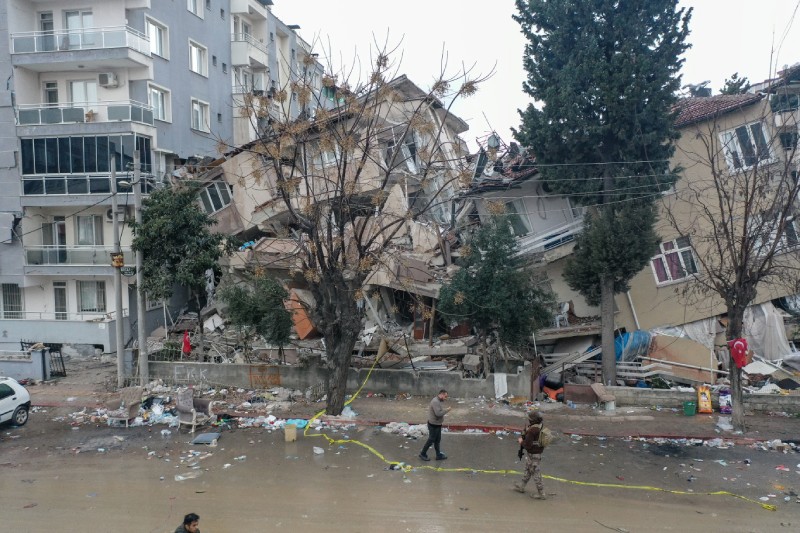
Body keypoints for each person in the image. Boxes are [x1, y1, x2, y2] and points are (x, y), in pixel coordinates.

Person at [514, 411, 546, 500]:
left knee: (536, 473)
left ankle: (541, 493)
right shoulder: (540, 426)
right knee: (528, 470)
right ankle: (522, 486)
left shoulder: (532, 430)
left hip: (533, 454)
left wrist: (521, 441)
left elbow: (527, 445)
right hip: (537, 452)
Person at [419, 389, 451, 461]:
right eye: (445, 396)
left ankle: (438, 455)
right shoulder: (435, 401)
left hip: (437, 424)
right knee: (431, 440)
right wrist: (447, 410)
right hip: (433, 425)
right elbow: (438, 414)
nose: (445, 398)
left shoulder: (438, 401)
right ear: (441, 394)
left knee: (437, 440)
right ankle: (422, 453)